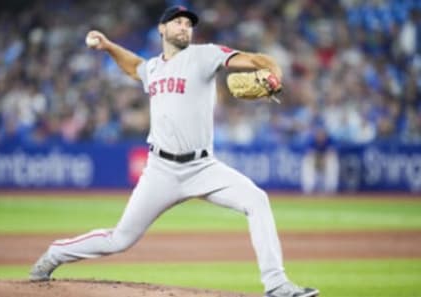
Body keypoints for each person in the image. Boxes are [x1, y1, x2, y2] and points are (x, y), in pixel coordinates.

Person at [29, 6, 319, 297]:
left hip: (204, 168)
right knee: (119, 240)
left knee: (257, 200)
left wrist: (275, 72)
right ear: (162, 29)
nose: (184, 27)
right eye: (177, 22)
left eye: (188, 24)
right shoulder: (154, 68)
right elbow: (134, 66)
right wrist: (108, 46)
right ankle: (55, 253)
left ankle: (277, 284)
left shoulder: (205, 55)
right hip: (161, 171)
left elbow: (257, 59)